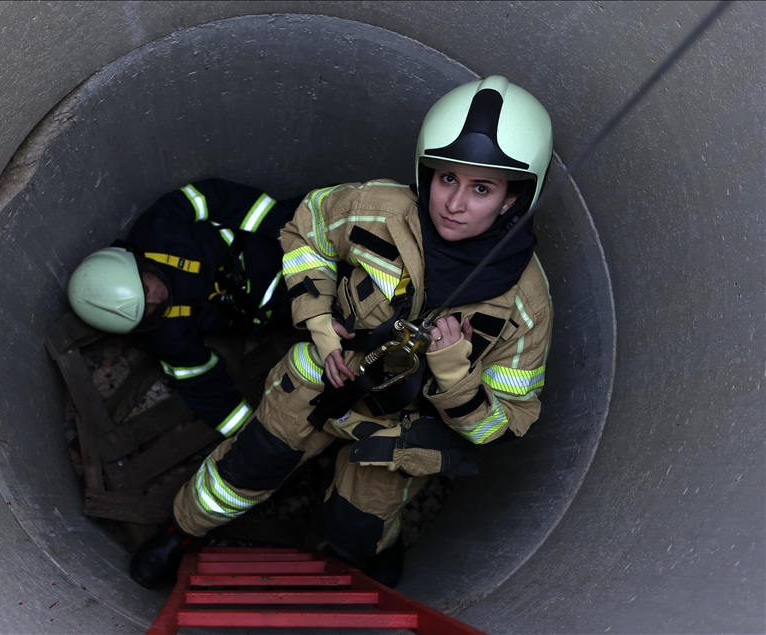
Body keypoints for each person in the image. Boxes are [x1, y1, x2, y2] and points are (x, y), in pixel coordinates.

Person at [129, 75, 555, 589]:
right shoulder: (377, 208)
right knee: (245, 468)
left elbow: (505, 426)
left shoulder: (525, 307)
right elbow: (304, 229)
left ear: (514, 198)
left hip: (399, 432)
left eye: (482, 188)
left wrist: (455, 378)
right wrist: (317, 319)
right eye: (446, 178)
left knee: (358, 527)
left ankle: (375, 543)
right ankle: (181, 530)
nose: (454, 203)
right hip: (321, 379)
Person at [67, 179, 301, 438]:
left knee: (346, 216)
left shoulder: (158, 228)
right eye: (147, 311)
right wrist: (253, 438)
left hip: (283, 240)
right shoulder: (164, 332)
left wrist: (287, 230)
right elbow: (202, 385)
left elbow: (217, 197)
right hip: (288, 305)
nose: (157, 299)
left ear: (133, 261)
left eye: (145, 290)